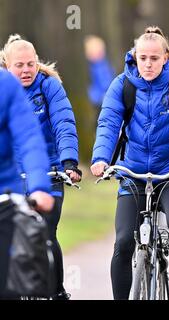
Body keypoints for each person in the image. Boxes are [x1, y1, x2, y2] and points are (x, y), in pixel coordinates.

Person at [90, 26, 169, 300]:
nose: (148, 63)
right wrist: (100, 159)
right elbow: (109, 124)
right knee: (123, 243)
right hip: (133, 173)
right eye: (142, 57)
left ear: (165, 58)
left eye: (154, 58)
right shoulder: (122, 85)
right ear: (134, 56)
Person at [1, 34, 82, 300]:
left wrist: (69, 161)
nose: (26, 70)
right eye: (19, 65)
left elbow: (63, 124)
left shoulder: (50, 88)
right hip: (13, 179)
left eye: (30, 64)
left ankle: (57, 292)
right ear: (6, 66)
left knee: (45, 232)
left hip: (49, 172)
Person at [0, 69, 54, 299]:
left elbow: (29, 137)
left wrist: (39, 186)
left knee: (9, 283)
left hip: (4, 193)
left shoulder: (5, 85)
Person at [84, 35, 115, 124]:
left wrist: (98, 96)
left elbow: (106, 82)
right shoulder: (94, 66)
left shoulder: (101, 66)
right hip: (97, 100)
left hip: (102, 100)